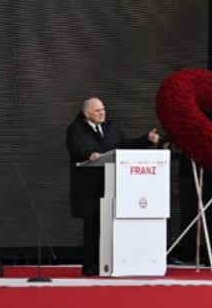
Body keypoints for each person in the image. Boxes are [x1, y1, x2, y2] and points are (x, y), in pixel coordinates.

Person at [66, 96, 160, 275]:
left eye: (103, 109)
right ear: (87, 113)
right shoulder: (75, 129)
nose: (102, 113)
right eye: (97, 110)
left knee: (108, 226)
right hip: (88, 187)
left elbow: (125, 145)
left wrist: (146, 140)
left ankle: (106, 263)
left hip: (110, 185)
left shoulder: (110, 128)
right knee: (91, 226)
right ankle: (89, 265)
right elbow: (76, 150)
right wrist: (89, 154)